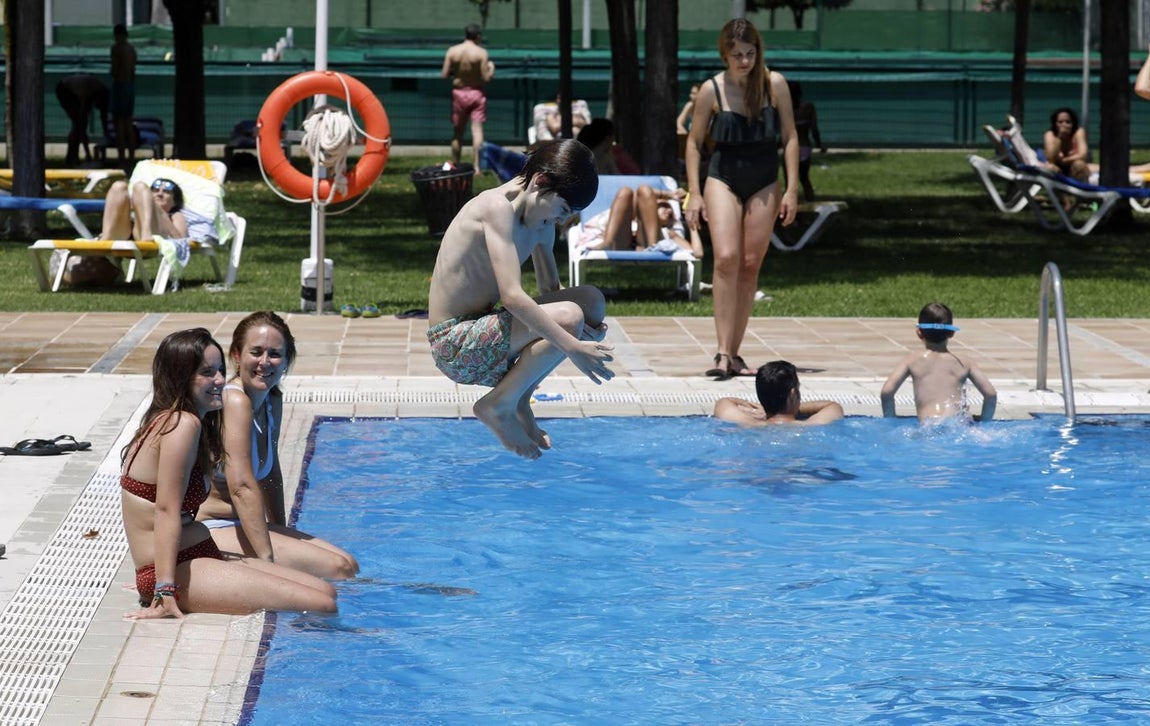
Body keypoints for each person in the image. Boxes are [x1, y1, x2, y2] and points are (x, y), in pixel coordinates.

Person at [121, 328, 336, 619]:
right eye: (207, 373)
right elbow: (165, 510)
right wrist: (164, 589)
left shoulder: (188, 420)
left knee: (327, 592)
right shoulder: (181, 425)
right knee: (322, 605)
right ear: (181, 378)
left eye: (220, 370)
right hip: (172, 569)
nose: (221, 380)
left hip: (197, 553)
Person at [427, 139, 613, 460]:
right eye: (563, 210)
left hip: (486, 336)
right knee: (569, 317)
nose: (560, 221)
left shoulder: (540, 220)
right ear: (541, 182)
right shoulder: (496, 209)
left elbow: (549, 293)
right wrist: (572, 345)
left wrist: (581, 331)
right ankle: (497, 406)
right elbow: (512, 296)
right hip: (454, 345)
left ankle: (520, 398)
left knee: (590, 302)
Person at [198, 311, 360, 580]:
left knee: (348, 563)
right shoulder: (235, 401)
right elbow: (241, 487)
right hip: (213, 526)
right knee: (338, 569)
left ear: (286, 361)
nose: (265, 362)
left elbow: (271, 476)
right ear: (237, 356)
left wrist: (281, 530)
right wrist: (269, 561)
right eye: (256, 352)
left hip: (245, 524)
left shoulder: (272, 400)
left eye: (274, 354)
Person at [684, 18, 800, 380]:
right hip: (724, 176)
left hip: (765, 178)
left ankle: (734, 354)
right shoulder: (711, 90)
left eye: (750, 54)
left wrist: (792, 188)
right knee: (727, 259)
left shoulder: (774, 84)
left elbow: (791, 137)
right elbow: (693, 143)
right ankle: (721, 352)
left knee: (750, 265)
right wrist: (695, 194)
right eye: (737, 55)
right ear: (725, 55)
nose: (745, 61)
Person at [880, 302, 998, 424]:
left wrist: (891, 421)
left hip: (930, 425)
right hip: (958, 425)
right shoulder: (965, 362)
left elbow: (887, 392)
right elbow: (991, 395)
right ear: (952, 333)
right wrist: (984, 422)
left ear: (919, 332)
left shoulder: (912, 360)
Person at [577, 184, 703, 258]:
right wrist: (669, 195)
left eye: (671, 215)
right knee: (626, 191)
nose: (669, 211)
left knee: (644, 190)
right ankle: (608, 242)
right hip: (620, 243)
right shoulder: (631, 217)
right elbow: (641, 194)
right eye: (664, 206)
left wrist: (692, 223)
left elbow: (697, 253)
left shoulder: (668, 233)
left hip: (648, 243)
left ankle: (654, 246)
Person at [714, 360, 843, 426]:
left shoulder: (749, 424)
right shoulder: (810, 426)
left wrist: (763, 408)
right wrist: (797, 409)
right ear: (793, 395)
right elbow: (833, 406)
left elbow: (723, 402)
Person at [441, 24, 495, 173]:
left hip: (458, 93)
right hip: (476, 93)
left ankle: (456, 164)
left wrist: (457, 72)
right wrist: (491, 68)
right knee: (476, 130)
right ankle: (477, 167)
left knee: (458, 132)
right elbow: (486, 77)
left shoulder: (453, 51)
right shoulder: (481, 53)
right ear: (477, 36)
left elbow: (444, 74)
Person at [55, 74, 110, 166]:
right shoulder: (87, 93)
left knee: (78, 125)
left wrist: (106, 134)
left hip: (75, 90)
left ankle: (72, 158)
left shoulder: (98, 91)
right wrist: (88, 153)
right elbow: (81, 126)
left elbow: (103, 116)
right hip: (65, 89)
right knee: (78, 124)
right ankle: (72, 158)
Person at [788, 81, 826, 201]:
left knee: (790, 183)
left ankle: (794, 215)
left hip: (789, 148)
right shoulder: (808, 107)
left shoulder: (787, 109)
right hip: (804, 146)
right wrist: (820, 145)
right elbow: (814, 129)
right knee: (804, 179)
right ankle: (811, 206)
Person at [110, 23, 137, 166]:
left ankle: (122, 158)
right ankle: (131, 157)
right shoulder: (132, 49)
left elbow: (114, 70)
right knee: (128, 122)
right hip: (130, 86)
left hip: (120, 85)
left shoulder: (116, 49)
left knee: (119, 124)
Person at [576, 118, 641, 176]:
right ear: (608, 138)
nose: (613, 141)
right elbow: (619, 177)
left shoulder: (580, 155)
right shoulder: (606, 157)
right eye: (613, 136)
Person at [1042, 107, 1090, 183]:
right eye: (1060, 122)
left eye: (1068, 122)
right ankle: (1059, 194)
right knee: (1049, 168)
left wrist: (1064, 160)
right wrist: (1060, 138)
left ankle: (1082, 192)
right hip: (1058, 168)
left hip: (1073, 167)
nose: (1064, 125)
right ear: (1055, 124)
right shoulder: (1050, 135)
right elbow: (1051, 159)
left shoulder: (1079, 132)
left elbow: (1083, 155)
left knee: (1080, 164)